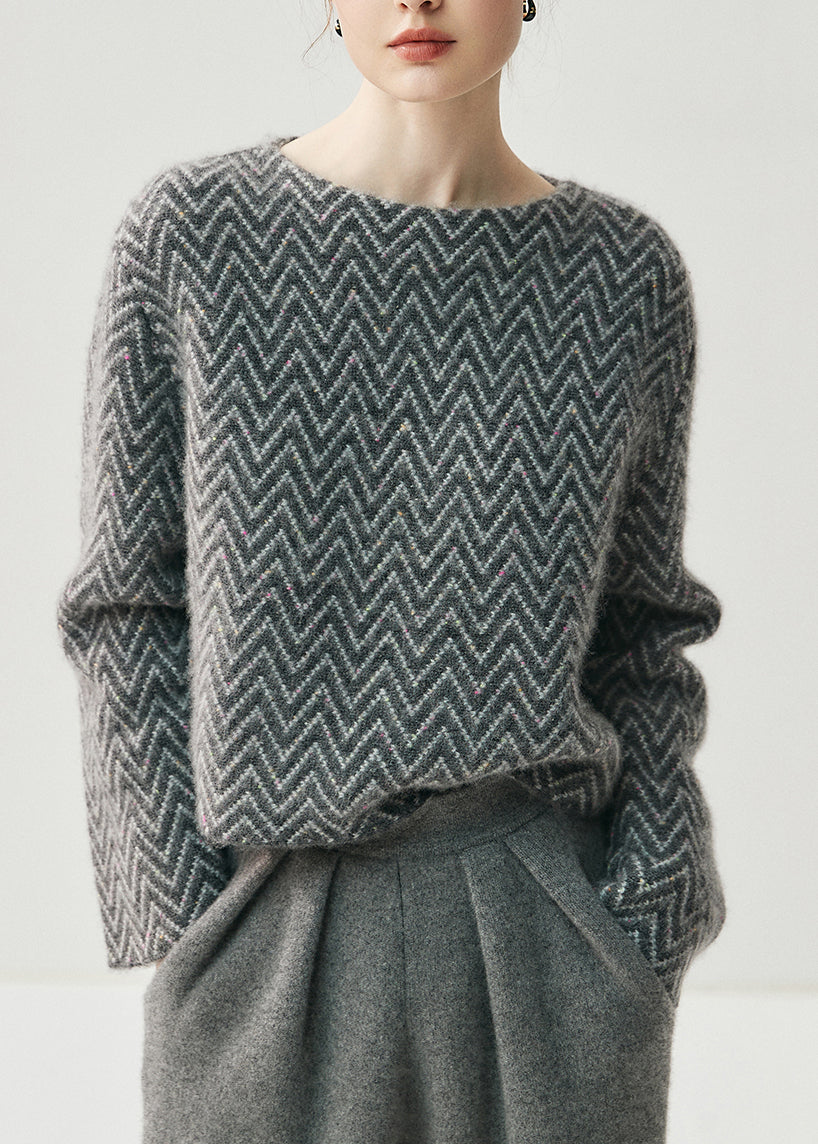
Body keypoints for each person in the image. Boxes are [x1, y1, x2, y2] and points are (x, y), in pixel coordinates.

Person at [55, 2, 727, 1141]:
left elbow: (643, 625)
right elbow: (127, 602)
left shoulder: (622, 273)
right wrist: (184, 918)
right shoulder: (196, 234)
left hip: (547, 922)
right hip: (272, 913)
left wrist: (652, 903)